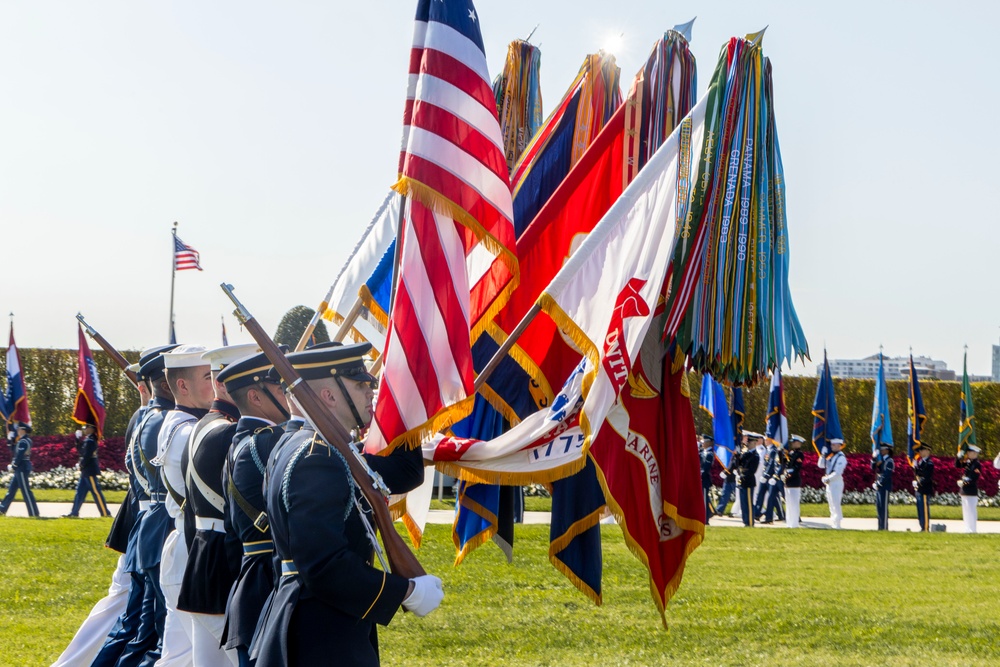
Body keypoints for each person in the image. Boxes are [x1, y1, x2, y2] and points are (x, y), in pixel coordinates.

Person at [252, 342, 442, 667]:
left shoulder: (305, 446)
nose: (372, 392)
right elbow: (324, 565)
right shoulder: (318, 458)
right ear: (329, 396)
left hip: (319, 621)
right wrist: (405, 591)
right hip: (320, 633)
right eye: (360, 385)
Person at [177, 343, 259, 667]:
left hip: (201, 559)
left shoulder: (201, 425)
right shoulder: (230, 432)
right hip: (223, 567)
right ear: (221, 383)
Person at [218, 349, 291, 667]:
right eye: (279, 388)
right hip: (269, 584)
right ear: (255, 396)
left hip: (249, 586)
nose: (288, 394)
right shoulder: (268, 440)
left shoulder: (238, 442)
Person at [153, 345, 215, 666]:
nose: (216, 383)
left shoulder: (177, 423)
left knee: (176, 659)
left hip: (182, 552)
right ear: (182, 386)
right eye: (208, 376)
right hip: (193, 553)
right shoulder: (192, 431)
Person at [65, 422, 111, 517]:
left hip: (89, 470)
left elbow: (86, 455)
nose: (84, 429)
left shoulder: (90, 440)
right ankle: (74, 513)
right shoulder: (88, 440)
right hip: (86, 470)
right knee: (80, 493)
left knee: (96, 492)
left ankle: (105, 512)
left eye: (86, 427)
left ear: (91, 428)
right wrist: (77, 440)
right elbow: (81, 451)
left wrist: (81, 465)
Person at [0, 422, 39, 517]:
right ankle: (2, 509)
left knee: (26, 491)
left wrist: (14, 465)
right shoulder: (23, 440)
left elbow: (19, 455)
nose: (17, 431)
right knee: (11, 490)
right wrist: (10, 440)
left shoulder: (24, 441)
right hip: (21, 467)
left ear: (23, 430)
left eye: (18, 429)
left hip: (22, 467)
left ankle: (33, 513)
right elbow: (14, 451)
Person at [819, 437, 847, 529]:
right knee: (831, 503)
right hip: (830, 483)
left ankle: (838, 523)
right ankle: (834, 522)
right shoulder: (831, 456)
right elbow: (821, 465)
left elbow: (838, 472)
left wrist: (827, 478)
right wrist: (822, 455)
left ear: (839, 446)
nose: (832, 446)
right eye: (831, 445)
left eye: (834, 445)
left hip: (836, 482)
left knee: (835, 503)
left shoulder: (841, 457)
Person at [956, 445, 982, 534]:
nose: (967, 454)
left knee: (971, 511)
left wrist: (964, 482)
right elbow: (958, 465)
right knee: (966, 511)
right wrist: (958, 457)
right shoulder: (969, 462)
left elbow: (974, 477)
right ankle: (967, 528)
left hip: (971, 490)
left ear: (975, 453)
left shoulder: (976, 464)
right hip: (965, 490)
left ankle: (972, 529)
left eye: (969, 452)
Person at [736, 436, 759, 528]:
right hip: (742, 481)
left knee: (748, 503)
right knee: (743, 503)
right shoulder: (746, 454)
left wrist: (742, 473)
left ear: (754, 443)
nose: (747, 444)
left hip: (749, 481)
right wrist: (737, 455)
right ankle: (745, 521)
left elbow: (752, 470)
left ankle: (750, 521)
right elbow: (739, 464)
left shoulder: (755, 456)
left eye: (749, 443)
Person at [783, 435, 805, 528]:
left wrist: (788, 474)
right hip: (788, 481)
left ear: (799, 443)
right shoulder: (790, 453)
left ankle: (794, 523)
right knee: (788, 503)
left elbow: (797, 468)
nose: (792, 444)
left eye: (794, 442)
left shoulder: (799, 454)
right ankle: (789, 522)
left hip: (794, 480)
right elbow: (785, 463)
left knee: (794, 503)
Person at [761, 440, 786, 524]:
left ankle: (796, 516)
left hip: (781, 479)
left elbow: (782, 465)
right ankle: (769, 518)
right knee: (771, 498)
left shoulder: (781, 452)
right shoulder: (775, 451)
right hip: (774, 479)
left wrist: (775, 477)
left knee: (787, 498)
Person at [871, 443, 894, 531]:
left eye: (882, 449)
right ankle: (880, 526)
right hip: (879, 486)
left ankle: (884, 526)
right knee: (879, 507)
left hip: (885, 486)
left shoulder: (889, 461)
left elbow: (886, 475)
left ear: (887, 450)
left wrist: (878, 483)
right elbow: (873, 468)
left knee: (883, 508)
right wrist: (873, 458)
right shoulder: (880, 459)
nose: (881, 451)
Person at [913, 444, 934, 532]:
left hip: (925, 489)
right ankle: (922, 526)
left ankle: (925, 527)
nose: (920, 452)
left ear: (927, 451)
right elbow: (918, 474)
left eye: (922, 450)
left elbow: (927, 477)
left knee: (924, 509)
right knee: (920, 508)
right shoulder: (921, 462)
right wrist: (915, 467)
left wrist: (918, 482)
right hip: (919, 489)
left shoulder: (929, 463)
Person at [699, 435, 715, 524]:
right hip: (701, 478)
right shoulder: (702, 452)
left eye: (704, 442)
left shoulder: (710, 454)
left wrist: (700, 474)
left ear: (708, 443)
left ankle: (706, 519)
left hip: (705, 479)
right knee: (703, 498)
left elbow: (706, 468)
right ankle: (710, 512)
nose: (703, 443)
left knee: (705, 499)